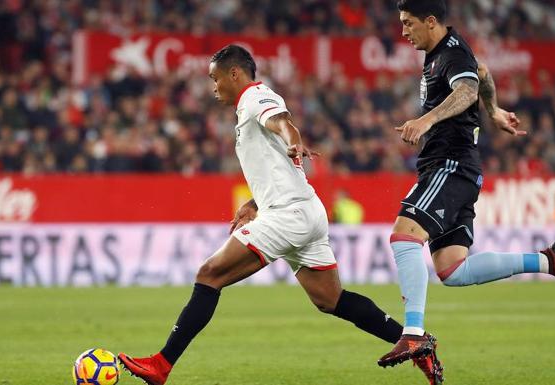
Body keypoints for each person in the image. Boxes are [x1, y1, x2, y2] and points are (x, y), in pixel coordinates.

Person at [118, 45, 417, 385]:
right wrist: (254, 203)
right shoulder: (247, 107)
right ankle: (412, 340)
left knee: (209, 273)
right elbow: (274, 163)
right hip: (303, 209)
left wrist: (295, 141)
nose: (213, 86)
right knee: (330, 299)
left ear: (235, 74)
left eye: (215, 78)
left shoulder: (255, 98)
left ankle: (161, 365)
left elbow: (282, 122)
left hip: (288, 216)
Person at [376, 0, 555, 378]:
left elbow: (469, 88)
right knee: (452, 269)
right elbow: (484, 74)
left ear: (430, 21)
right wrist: (493, 111)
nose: (404, 32)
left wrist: (427, 119)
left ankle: (413, 334)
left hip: (450, 164)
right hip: (458, 168)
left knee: (404, 237)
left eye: (409, 24)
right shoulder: (445, 54)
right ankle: (548, 261)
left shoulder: (450, 54)